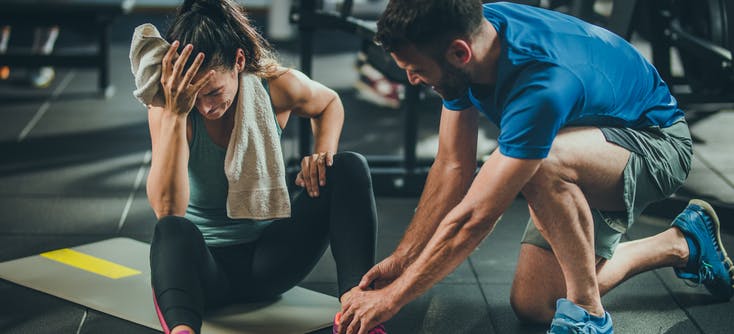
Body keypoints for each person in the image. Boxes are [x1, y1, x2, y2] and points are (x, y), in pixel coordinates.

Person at [335, 1, 734, 334]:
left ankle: (590, 315)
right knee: (537, 306)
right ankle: (682, 244)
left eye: (415, 68)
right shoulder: (468, 38)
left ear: (460, 53)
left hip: (657, 143)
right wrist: (404, 258)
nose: (410, 79)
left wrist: (395, 296)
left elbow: (475, 217)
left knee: (540, 165)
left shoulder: (541, 84)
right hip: (583, 142)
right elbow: (454, 165)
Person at [137, 1, 386, 333]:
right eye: (196, 96)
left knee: (349, 167)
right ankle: (183, 329)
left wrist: (321, 154)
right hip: (203, 275)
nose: (206, 107)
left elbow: (329, 103)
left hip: (271, 262)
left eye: (213, 92)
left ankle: (359, 313)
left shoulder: (275, 86)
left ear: (239, 61)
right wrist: (177, 113)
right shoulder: (170, 108)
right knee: (171, 230)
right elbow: (168, 209)